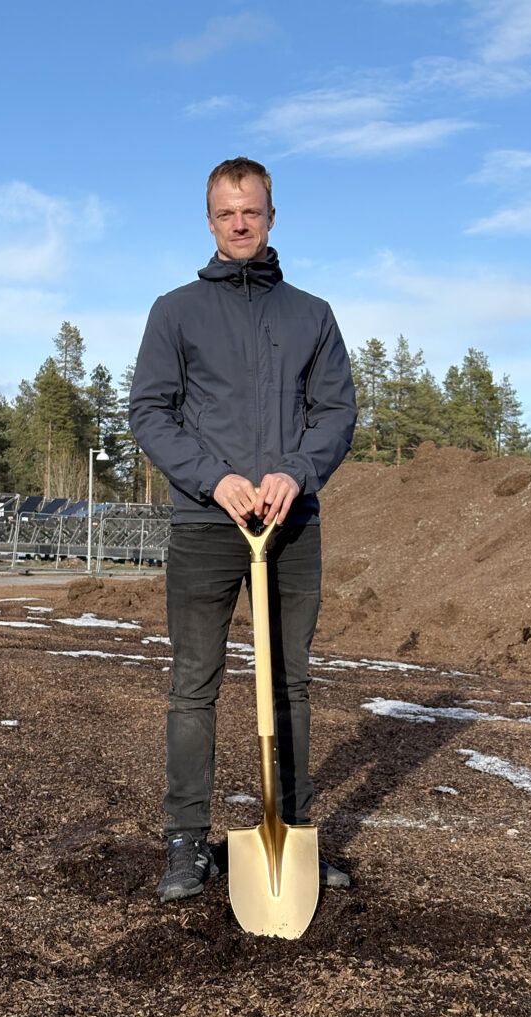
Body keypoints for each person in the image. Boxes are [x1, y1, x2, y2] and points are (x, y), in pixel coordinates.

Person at [129, 157, 357, 902]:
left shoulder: (311, 315)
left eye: (251, 211)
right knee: (194, 686)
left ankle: (290, 832)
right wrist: (212, 477)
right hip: (206, 522)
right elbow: (150, 413)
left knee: (290, 684)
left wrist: (297, 471)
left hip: (290, 525)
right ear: (209, 220)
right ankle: (185, 841)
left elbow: (336, 413)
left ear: (270, 214)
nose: (239, 223)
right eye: (226, 213)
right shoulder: (175, 312)